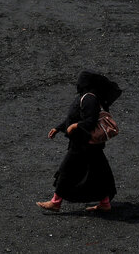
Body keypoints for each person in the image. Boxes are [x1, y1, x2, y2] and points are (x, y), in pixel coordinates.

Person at [37, 70, 122, 212]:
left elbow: (89, 121)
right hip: (91, 145)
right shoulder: (90, 97)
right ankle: (105, 203)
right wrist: (59, 128)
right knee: (99, 173)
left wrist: (73, 127)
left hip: (82, 144)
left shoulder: (89, 98)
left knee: (66, 171)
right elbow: (75, 116)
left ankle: (55, 202)